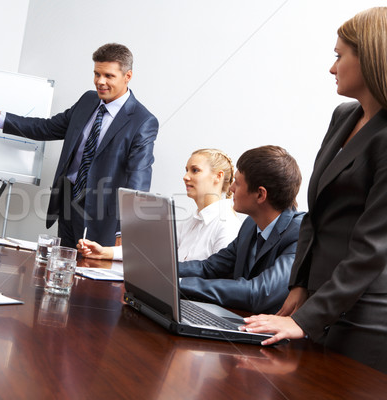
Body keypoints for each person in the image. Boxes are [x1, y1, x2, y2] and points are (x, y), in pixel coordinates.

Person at [242, 7, 387, 373]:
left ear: (370, 57)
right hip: (316, 302)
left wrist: (305, 320)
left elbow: (373, 249)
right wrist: (300, 286)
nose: (332, 67)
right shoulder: (343, 116)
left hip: (365, 317)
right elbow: (316, 213)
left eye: (339, 56)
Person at [0, 43, 159, 248]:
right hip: (67, 203)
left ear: (127, 76)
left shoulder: (142, 121)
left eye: (108, 76)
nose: (100, 81)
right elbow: (46, 128)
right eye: (96, 74)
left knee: (92, 275)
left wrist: (125, 230)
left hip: (101, 219)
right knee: (63, 265)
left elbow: (138, 181)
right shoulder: (88, 100)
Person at [178, 146, 303, 314]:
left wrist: (178, 284)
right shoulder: (250, 225)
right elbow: (210, 267)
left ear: (260, 194)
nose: (231, 188)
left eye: (237, 182)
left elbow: (259, 292)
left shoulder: (299, 234)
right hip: (241, 320)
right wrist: (162, 270)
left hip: (273, 336)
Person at [78, 149, 241, 261]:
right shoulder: (191, 222)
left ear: (218, 177)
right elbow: (150, 251)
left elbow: (217, 277)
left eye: (195, 170)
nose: (185, 177)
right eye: (186, 170)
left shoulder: (227, 226)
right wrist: (103, 252)